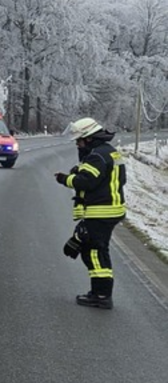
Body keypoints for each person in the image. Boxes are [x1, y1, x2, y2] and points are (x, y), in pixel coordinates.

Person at [53, 117, 126, 309]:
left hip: (101, 211)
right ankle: (99, 293)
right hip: (111, 209)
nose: (77, 144)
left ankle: (101, 295)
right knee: (95, 248)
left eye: (79, 140)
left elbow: (85, 182)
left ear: (89, 138)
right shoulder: (110, 153)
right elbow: (114, 179)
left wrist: (64, 179)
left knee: (93, 251)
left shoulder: (96, 156)